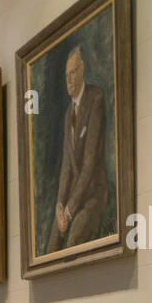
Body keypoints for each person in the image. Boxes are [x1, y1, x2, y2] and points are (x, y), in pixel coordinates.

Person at [45, 46, 108, 256]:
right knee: (50, 249)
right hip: (72, 198)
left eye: (72, 73)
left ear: (82, 70)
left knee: (72, 244)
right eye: (66, 75)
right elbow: (66, 167)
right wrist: (60, 205)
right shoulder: (67, 115)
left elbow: (89, 165)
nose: (69, 80)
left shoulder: (95, 99)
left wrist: (69, 210)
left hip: (92, 194)